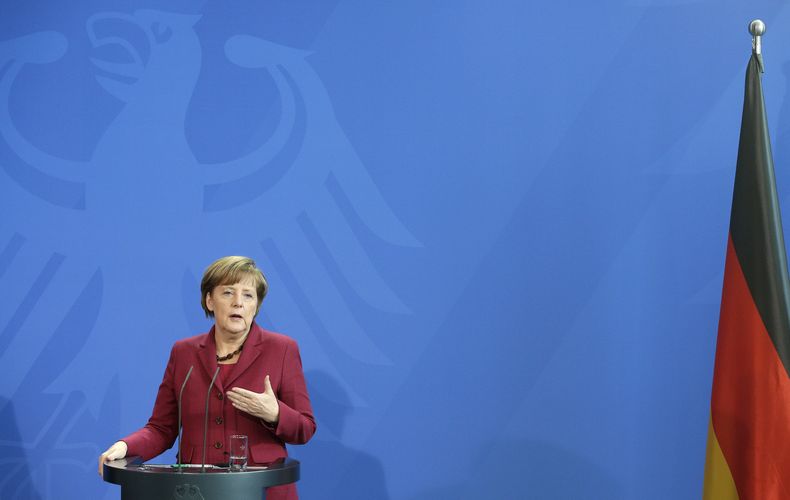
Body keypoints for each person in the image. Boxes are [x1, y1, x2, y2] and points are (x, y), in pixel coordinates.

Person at [98, 256, 316, 499]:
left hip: (261, 489)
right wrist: (125, 446)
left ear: (256, 306)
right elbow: (161, 428)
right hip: (197, 490)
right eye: (228, 293)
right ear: (209, 300)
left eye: (248, 295)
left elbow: (305, 428)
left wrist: (275, 414)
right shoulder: (183, 353)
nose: (238, 303)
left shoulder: (282, 349)